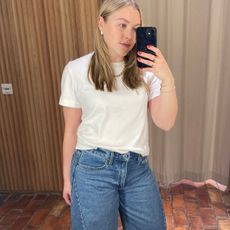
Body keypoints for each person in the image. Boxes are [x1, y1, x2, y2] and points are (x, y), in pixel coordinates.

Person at [59, 0, 178, 229]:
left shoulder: (147, 72)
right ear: (101, 24)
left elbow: (165, 122)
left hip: (136, 169)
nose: (129, 36)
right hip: (91, 168)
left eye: (136, 28)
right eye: (122, 25)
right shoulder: (75, 70)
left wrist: (167, 79)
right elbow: (71, 130)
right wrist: (67, 178)